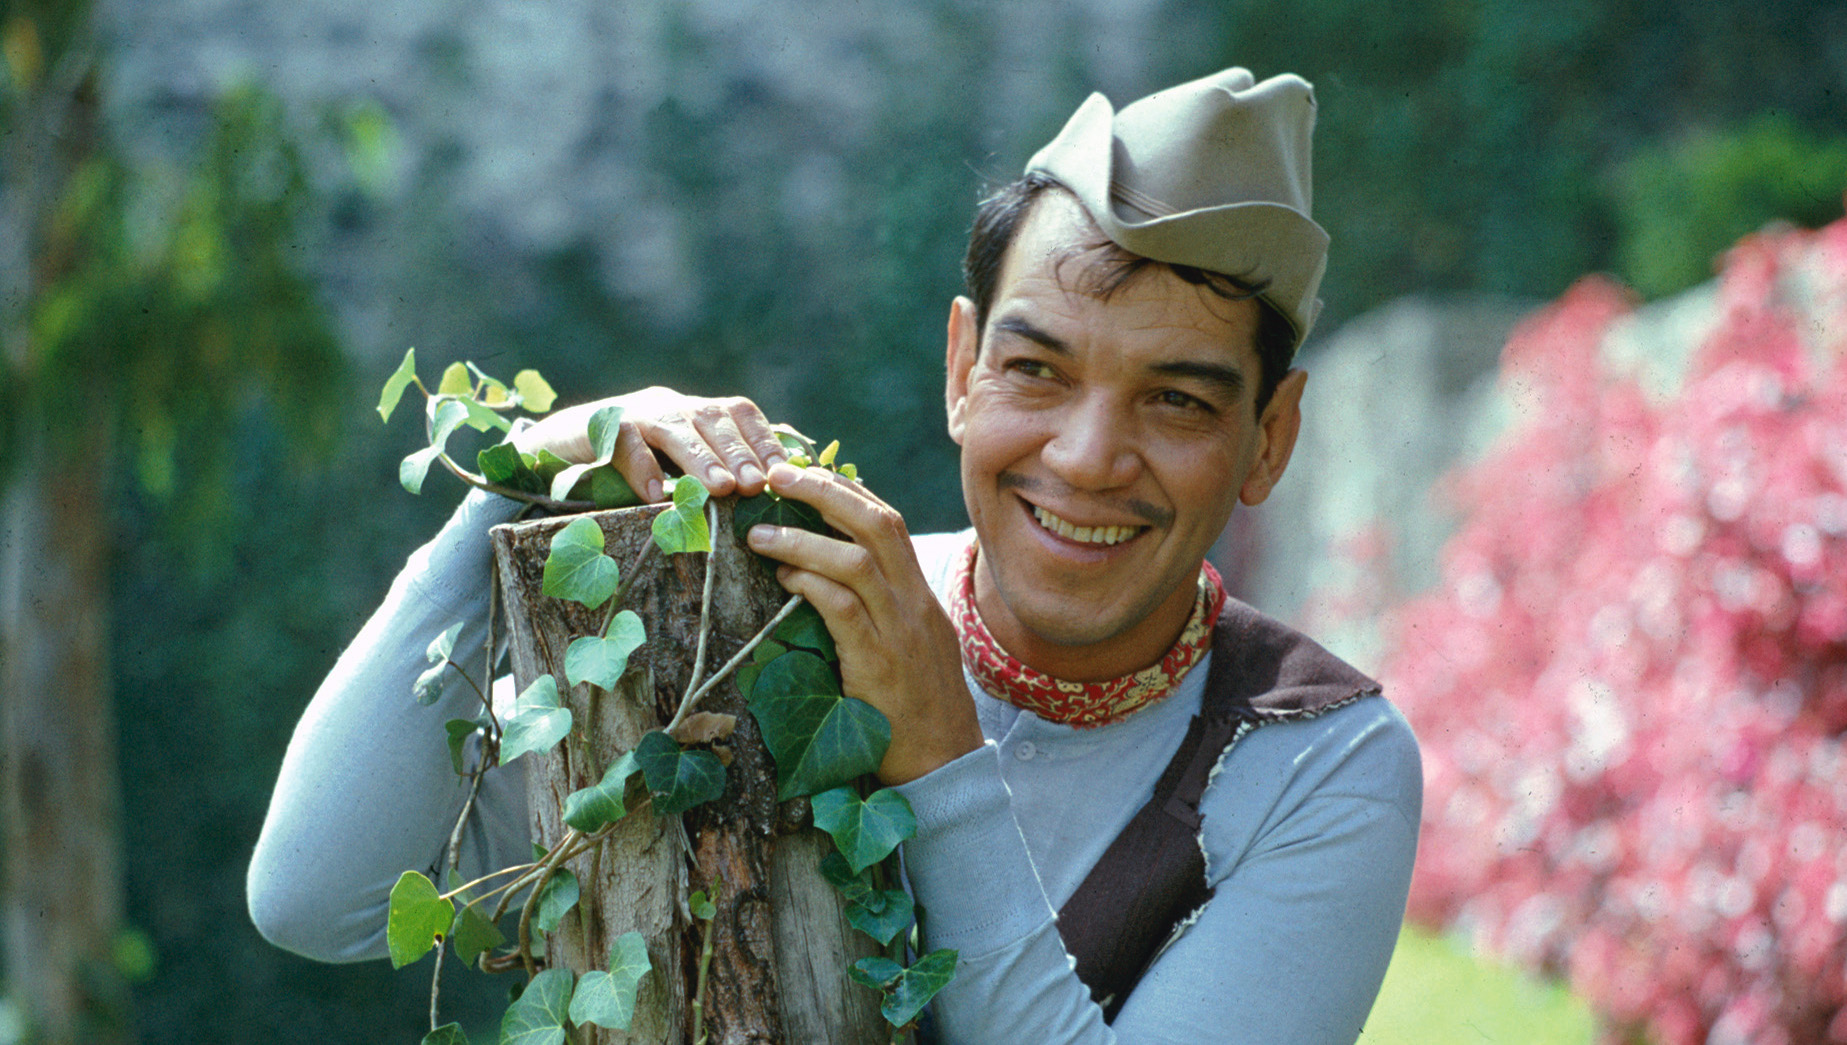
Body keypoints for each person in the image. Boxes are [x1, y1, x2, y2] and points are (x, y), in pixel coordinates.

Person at [249, 67, 1422, 1043]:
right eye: (1035, 370)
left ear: (1267, 440)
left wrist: (936, 757)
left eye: (1174, 401)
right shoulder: (769, 621)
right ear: (960, 369)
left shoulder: (1320, 760)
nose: (1085, 456)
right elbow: (317, 893)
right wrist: (501, 497)